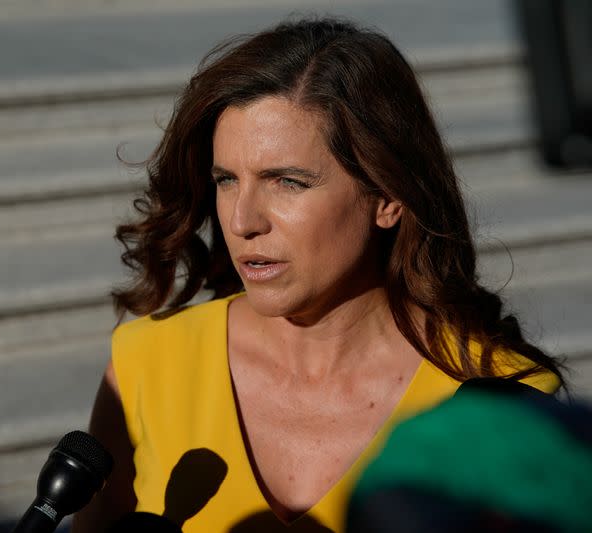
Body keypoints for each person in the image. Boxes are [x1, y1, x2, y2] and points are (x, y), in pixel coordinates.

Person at [71, 17, 565, 533]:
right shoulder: (144, 365)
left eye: (287, 182)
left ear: (388, 196)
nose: (242, 222)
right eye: (226, 180)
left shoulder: (502, 400)